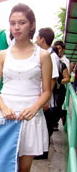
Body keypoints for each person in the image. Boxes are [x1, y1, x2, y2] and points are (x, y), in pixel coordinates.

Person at [0, 3, 51, 172]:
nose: (16, 27)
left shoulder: (43, 55)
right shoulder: (2, 55)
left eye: (22, 22)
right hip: (4, 116)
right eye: (13, 22)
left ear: (31, 25)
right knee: (1, 166)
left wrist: (34, 107)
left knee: (23, 169)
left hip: (30, 118)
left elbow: (47, 90)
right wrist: (3, 108)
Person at [36, 27, 60, 159]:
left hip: (46, 99)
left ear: (42, 39)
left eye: (37, 37)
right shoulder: (48, 54)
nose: (35, 40)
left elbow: (52, 78)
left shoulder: (51, 56)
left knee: (45, 125)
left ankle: (43, 153)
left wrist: (45, 100)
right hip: (44, 98)